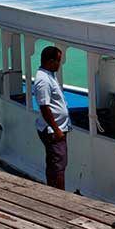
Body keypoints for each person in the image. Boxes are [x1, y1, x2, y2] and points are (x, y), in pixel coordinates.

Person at [33, 46, 71, 190]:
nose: (59, 64)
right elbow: (44, 107)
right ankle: (60, 196)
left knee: (54, 162)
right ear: (50, 61)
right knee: (59, 165)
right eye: (58, 61)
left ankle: (52, 191)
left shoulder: (49, 75)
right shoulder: (43, 80)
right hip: (53, 131)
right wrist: (56, 130)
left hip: (55, 128)